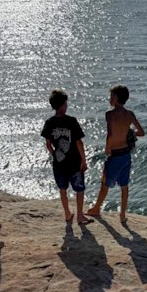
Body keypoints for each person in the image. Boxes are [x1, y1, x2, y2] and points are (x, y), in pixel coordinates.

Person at [87, 85, 144, 224]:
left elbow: (110, 134)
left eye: (111, 96)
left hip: (115, 155)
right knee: (124, 186)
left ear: (117, 98)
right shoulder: (130, 114)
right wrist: (129, 134)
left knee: (105, 183)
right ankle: (123, 215)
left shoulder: (109, 114)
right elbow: (141, 132)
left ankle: (96, 208)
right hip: (126, 155)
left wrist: (107, 149)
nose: (109, 99)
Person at [41, 89, 91, 225]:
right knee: (79, 189)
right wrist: (84, 160)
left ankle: (67, 214)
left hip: (59, 164)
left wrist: (55, 155)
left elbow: (48, 144)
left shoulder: (49, 122)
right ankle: (80, 215)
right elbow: (79, 142)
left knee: (62, 189)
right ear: (63, 105)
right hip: (74, 162)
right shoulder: (71, 121)